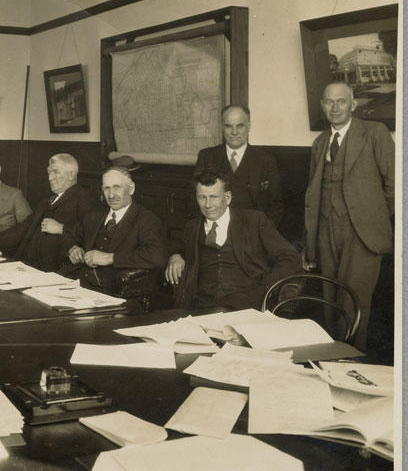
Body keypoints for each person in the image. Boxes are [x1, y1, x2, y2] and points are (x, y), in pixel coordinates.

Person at [303, 82, 394, 349]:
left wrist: (372, 216)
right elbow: (312, 196)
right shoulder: (320, 143)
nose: (334, 107)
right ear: (322, 105)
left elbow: (396, 185)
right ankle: (333, 361)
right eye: (329, 102)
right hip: (325, 230)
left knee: (355, 302)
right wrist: (310, 242)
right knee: (330, 299)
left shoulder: (374, 133)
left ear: (353, 105)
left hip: (362, 232)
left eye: (341, 101)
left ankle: (351, 362)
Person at [165, 169, 301, 311]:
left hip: (244, 303)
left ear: (228, 197)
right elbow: (175, 245)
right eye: (202, 197)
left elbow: (290, 257)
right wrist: (175, 255)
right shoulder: (191, 227)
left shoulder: (254, 221)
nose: (207, 205)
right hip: (201, 303)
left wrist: (266, 287)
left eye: (214, 197)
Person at [0, 153, 97, 271]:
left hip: (56, 271)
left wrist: (62, 228)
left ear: (71, 174)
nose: (50, 178)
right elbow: (22, 228)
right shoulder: (46, 201)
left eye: (55, 172)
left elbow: (91, 232)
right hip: (25, 265)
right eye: (48, 172)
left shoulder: (84, 197)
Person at [59, 166, 167, 294]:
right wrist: (73, 248)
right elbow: (69, 234)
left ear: (131, 189)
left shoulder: (146, 219)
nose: (111, 195)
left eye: (117, 187)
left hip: (109, 291)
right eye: (107, 188)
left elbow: (156, 255)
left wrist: (111, 258)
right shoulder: (95, 214)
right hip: (73, 280)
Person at [194, 105, 284, 227]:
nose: (234, 132)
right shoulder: (206, 156)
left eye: (240, 126)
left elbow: (276, 204)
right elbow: (194, 198)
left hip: (253, 231)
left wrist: (263, 233)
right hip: (216, 231)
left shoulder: (266, 160)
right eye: (228, 126)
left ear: (249, 126)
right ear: (222, 127)